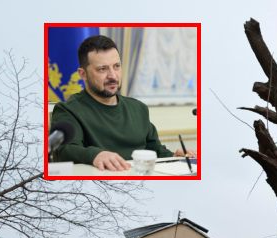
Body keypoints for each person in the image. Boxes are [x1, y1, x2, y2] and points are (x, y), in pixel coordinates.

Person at [51, 35, 192, 171]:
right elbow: (64, 151)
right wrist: (95, 155)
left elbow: (155, 150)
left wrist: (174, 156)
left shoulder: (138, 108)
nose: (113, 75)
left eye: (116, 66)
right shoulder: (68, 110)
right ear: (83, 74)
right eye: (102, 69)